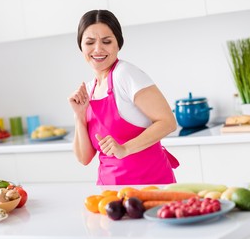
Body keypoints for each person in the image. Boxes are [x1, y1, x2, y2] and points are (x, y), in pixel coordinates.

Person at [68, 10, 179, 185]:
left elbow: (168, 122)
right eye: (89, 42)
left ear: (118, 44)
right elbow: (84, 158)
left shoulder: (125, 74)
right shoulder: (89, 90)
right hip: (109, 192)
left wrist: (125, 148)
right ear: (81, 46)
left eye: (106, 41)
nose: (98, 49)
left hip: (150, 186)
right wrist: (79, 116)